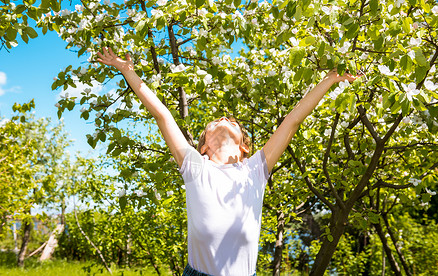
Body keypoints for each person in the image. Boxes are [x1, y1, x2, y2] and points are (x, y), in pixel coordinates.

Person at [97, 47, 357, 276]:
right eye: (216, 122)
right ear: (203, 147)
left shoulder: (254, 170)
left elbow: (292, 120)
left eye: (233, 122)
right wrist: (127, 71)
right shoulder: (196, 167)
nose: (225, 118)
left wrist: (330, 79)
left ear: (244, 147)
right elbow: (163, 115)